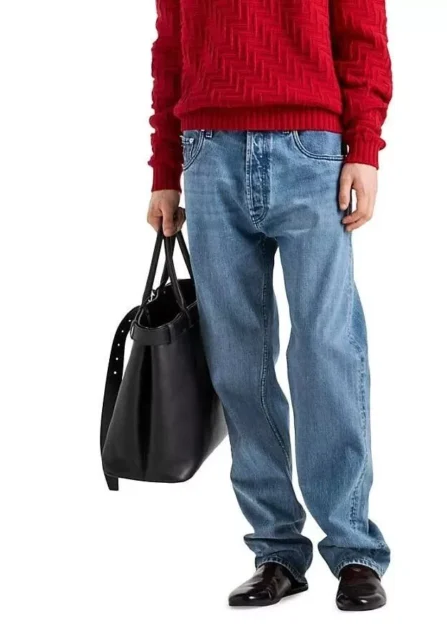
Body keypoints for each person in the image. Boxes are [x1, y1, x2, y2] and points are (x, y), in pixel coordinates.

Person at [146, 0, 392, 612]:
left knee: (326, 350)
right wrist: (165, 169)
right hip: (208, 154)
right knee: (236, 362)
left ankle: (354, 548)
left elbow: (362, 33)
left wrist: (364, 146)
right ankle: (277, 549)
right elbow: (170, 48)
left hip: (312, 149)